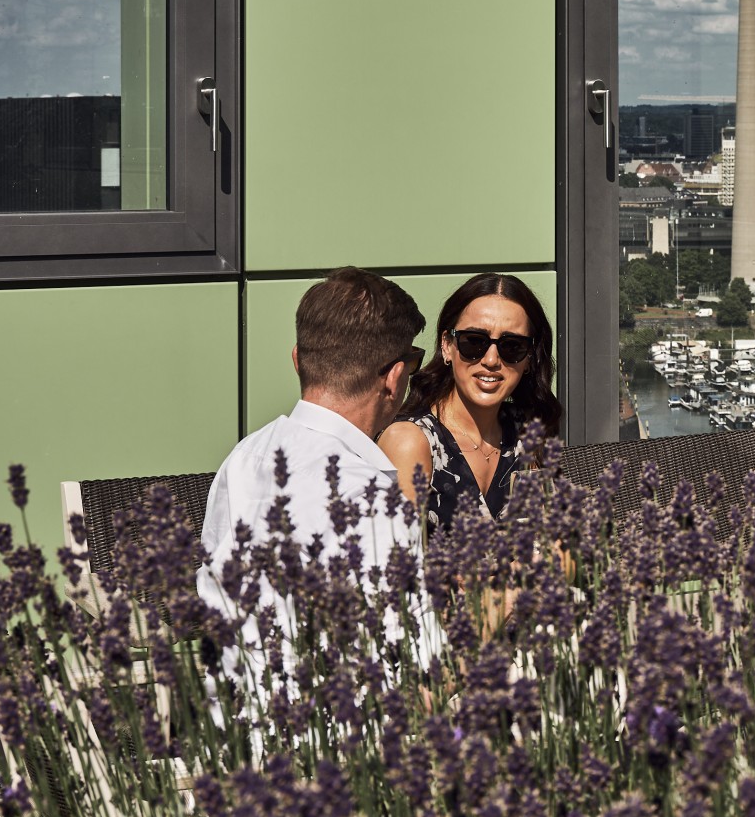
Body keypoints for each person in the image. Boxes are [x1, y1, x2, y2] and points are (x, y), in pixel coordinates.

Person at [196, 267, 428, 669]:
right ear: (394, 377)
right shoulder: (371, 498)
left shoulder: (244, 458)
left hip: (233, 705)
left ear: (297, 360)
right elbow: (412, 670)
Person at [379, 272, 561, 529]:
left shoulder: (527, 433)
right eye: (474, 342)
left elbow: (556, 542)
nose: (491, 360)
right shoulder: (410, 442)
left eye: (512, 346)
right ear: (447, 346)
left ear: (530, 358)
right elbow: (396, 552)